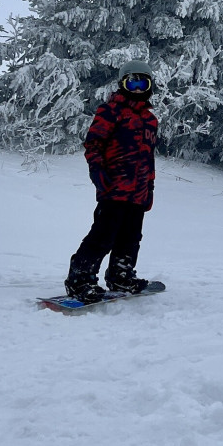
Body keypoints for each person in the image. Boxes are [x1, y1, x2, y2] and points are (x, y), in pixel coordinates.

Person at [64, 59, 158, 303]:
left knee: (131, 236)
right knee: (103, 235)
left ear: (149, 86)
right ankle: (80, 279)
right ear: (122, 84)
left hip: (138, 192)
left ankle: (121, 275)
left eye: (142, 83)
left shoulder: (150, 120)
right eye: (132, 82)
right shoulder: (110, 111)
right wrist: (97, 170)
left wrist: (149, 187)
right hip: (114, 187)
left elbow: (148, 157)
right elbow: (93, 144)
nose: (137, 88)